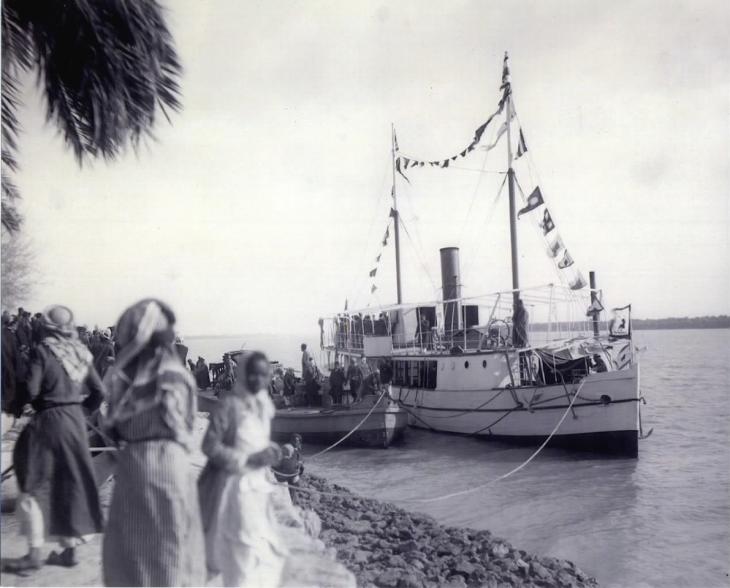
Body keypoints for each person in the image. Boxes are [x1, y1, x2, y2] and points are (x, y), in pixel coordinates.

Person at [102, 299, 205, 587]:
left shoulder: (124, 375)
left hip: (134, 463)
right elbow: (184, 424)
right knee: (171, 545)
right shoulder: (177, 373)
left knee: (132, 552)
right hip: (172, 463)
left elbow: (110, 425)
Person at [4, 305, 104, 573]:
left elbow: (33, 389)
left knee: (32, 480)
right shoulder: (82, 353)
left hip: (49, 421)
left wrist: (30, 402)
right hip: (76, 423)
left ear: (45, 326)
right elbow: (99, 391)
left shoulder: (43, 350)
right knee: (71, 481)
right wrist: (80, 409)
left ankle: (34, 553)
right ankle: (70, 551)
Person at [198, 351, 284, 587]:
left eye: (263, 375)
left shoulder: (263, 406)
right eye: (252, 374)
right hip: (229, 488)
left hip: (256, 488)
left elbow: (253, 441)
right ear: (243, 375)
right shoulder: (229, 406)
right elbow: (209, 446)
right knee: (234, 552)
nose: (257, 380)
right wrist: (247, 459)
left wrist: (270, 451)